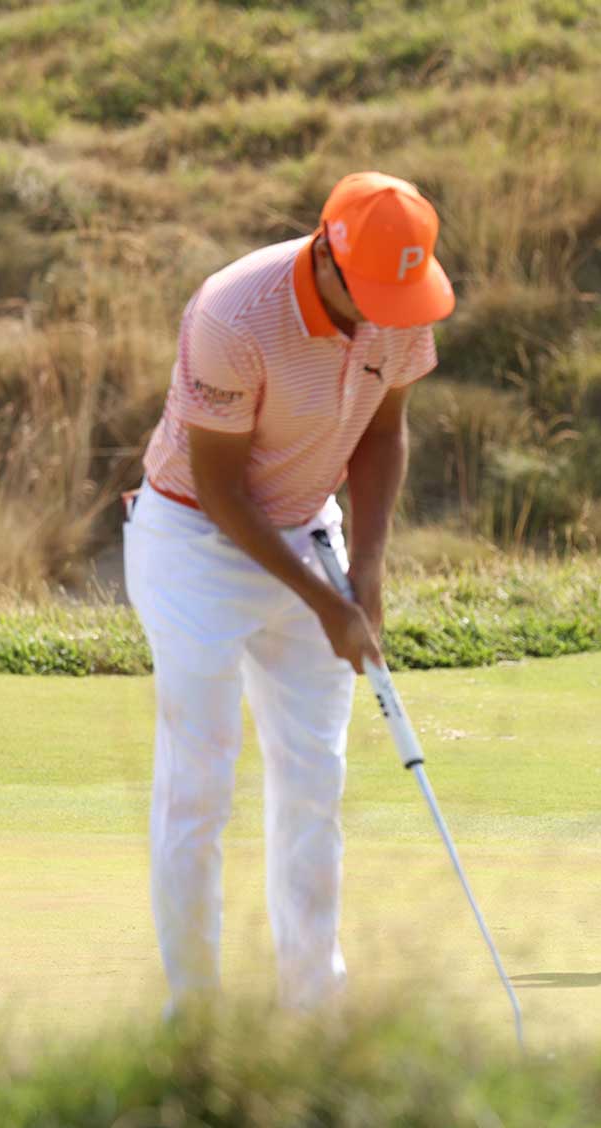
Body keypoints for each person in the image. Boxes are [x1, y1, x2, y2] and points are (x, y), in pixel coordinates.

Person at [123, 171, 455, 1010]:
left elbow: (385, 433)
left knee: (314, 778)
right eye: (372, 291)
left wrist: (367, 571)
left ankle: (315, 1010)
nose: (385, 310)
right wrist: (325, 603)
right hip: (194, 539)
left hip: (310, 526)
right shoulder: (233, 314)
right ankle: (192, 1016)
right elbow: (223, 491)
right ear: (327, 253)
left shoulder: (399, 308)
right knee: (198, 782)